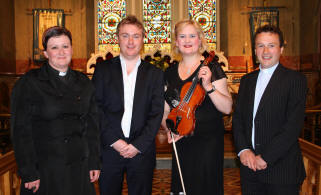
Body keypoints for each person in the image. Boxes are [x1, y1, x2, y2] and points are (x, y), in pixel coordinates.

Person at [10, 26, 100, 195]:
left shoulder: (84, 82)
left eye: (65, 46)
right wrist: (29, 172)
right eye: (54, 47)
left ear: (72, 49)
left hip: (78, 167)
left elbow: (92, 126)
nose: (61, 52)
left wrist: (94, 161)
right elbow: (21, 131)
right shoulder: (30, 83)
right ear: (46, 53)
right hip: (45, 169)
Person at [92, 15, 164, 195]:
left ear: (143, 40)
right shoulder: (103, 70)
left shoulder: (154, 74)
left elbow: (156, 113)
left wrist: (138, 145)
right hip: (109, 148)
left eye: (136, 36)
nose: (130, 41)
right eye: (125, 35)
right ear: (117, 39)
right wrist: (114, 141)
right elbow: (95, 108)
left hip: (142, 150)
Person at [232, 25, 307, 195]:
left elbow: (292, 127)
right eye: (260, 45)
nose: (265, 51)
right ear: (255, 49)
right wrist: (243, 150)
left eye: (271, 45)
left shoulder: (295, 80)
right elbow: (238, 120)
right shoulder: (247, 81)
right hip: (250, 168)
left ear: (281, 49)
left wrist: (266, 157)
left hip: (281, 170)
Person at [162, 19, 232, 195]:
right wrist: (168, 128)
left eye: (192, 36)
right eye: (182, 36)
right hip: (181, 139)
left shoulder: (212, 67)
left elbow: (227, 108)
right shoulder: (169, 73)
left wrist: (208, 86)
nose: (187, 40)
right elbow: (165, 110)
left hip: (208, 141)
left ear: (200, 40)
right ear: (176, 42)